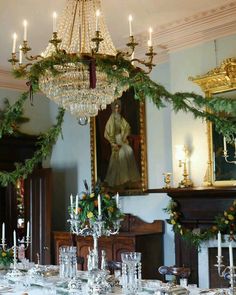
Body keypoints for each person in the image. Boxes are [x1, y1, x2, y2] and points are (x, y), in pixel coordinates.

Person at [104, 99, 140, 188]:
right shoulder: (111, 118)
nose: (117, 110)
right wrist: (113, 143)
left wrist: (124, 136)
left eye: (118, 108)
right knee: (121, 153)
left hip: (121, 139)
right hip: (114, 140)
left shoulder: (120, 117)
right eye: (115, 108)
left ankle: (130, 178)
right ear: (113, 109)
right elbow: (107, 133)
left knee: (129, 150)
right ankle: (122, 179)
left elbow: (127, 126)